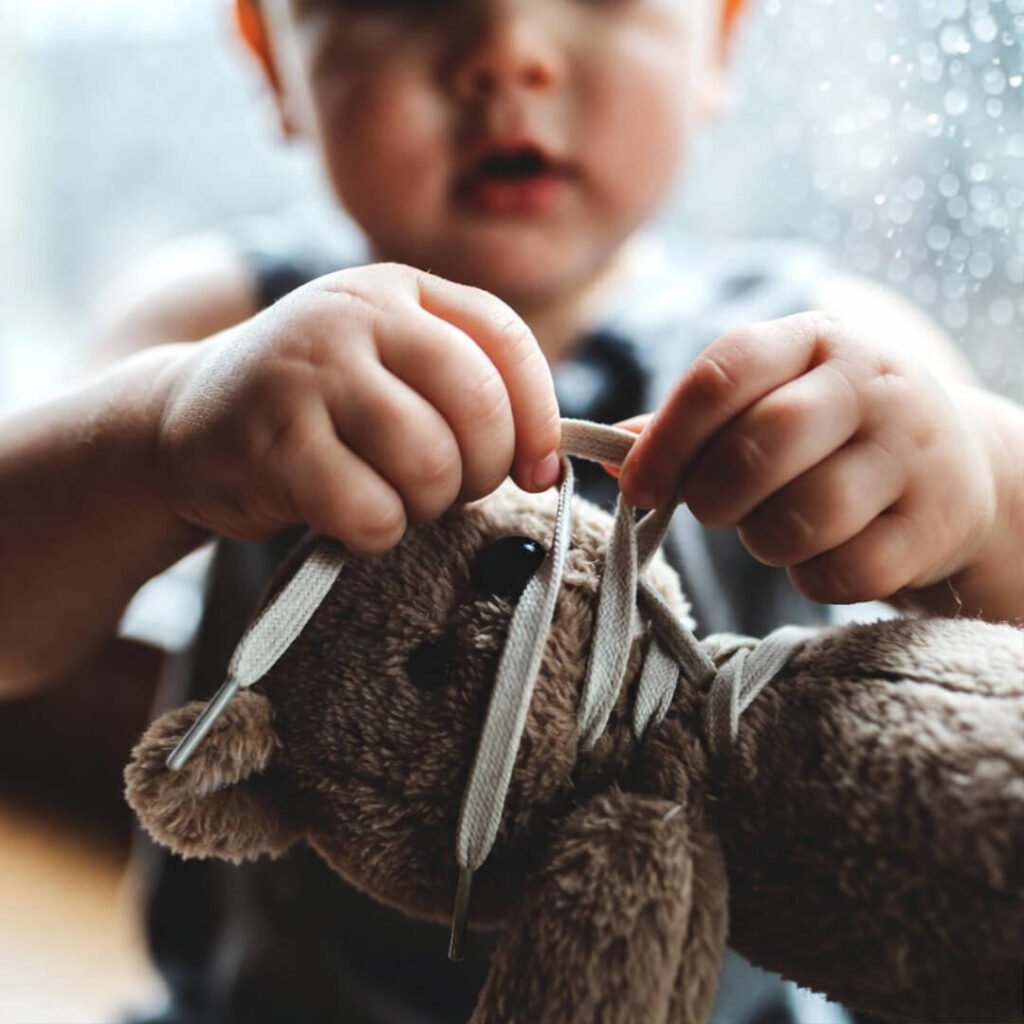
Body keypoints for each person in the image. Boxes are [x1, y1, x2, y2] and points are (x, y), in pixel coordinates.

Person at [0, 0, 1021, 1021]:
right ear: (274, 62)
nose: (505, 55)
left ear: (718, 39)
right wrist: (160, 438)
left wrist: (974, 484)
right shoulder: (219, 329)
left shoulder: (826, 354)